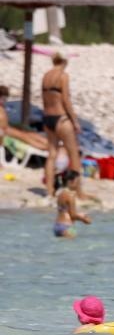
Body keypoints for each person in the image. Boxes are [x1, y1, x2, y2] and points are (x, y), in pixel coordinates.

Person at [42, 52, 85, 198]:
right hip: (61, 118)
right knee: (74, 155)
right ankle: (78, 191)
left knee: (52, 155)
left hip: (48, 118)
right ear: (65, 62)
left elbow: (45, 99)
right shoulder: (63, 76)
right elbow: (66, 100)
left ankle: (49, 191)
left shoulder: (46, 75)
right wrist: (75, 121)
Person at [0, 85, 49, 153]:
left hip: (9, 129)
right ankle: (45, 147)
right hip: (6, 132)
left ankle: (48, 145)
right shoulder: (1, 110)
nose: (4, 101)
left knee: (30, 134)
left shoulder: (2, 109)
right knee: (25, 137)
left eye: (5, 99)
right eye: (3, 99)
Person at [53, 170, 91, 238]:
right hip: (67, 226)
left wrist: (79, 214)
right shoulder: (71, 196)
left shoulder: (60, 194)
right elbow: (73, 215)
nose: (79, 185)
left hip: (57, 225)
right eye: (78, 182)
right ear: (70, 182)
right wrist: (84, 219)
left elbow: (65, 210)